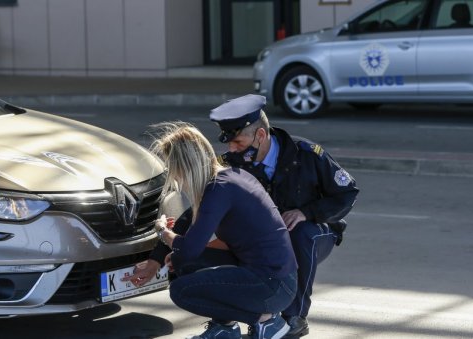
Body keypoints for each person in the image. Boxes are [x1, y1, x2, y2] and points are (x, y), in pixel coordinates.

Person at [209, 94, 359, 338]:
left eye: (238, 142)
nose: (232, 149)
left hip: (314, 231)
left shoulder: (307, 154)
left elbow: (347, 193)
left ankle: (294, 317)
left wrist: (306, 212)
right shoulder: (230, 164)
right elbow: (204, 206)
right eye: (229, 143)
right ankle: (227, 321)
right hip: (264, 237)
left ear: (260, 135)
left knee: (300, 234)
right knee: (225, 243)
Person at [136, 121, 298, 339]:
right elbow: (187, 227)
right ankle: (225, 328)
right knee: (182, 264)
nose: (174, 178)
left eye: (174, 170)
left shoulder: (218, 190)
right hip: (277, 279)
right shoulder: (229, 177)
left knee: (181, 291)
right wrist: (163, 255)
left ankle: (267, 321)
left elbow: (190, 248)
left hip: (273, 285)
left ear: (186, 166)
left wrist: (165, 233)